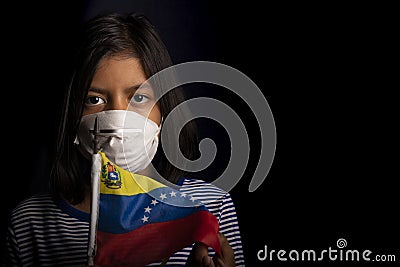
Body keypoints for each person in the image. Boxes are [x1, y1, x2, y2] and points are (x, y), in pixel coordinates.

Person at [2, 12, 245, 267]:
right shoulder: (29, 224)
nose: (118, 120)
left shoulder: (209, 205)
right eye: (94, 100)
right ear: (71, 113)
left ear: (164, 108)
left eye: (139, 98)